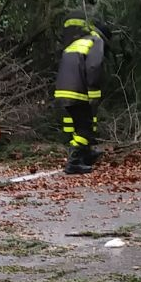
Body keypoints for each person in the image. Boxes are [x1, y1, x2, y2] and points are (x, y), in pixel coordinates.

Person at [55, 15, 110, 175]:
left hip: (63, 89)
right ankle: (74, 162)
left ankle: (86, 154)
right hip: (77, 90)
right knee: (84, 127)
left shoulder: (77, 42)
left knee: (79, 123)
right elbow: (93, 67)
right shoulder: (96, 41)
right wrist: (94, 94)